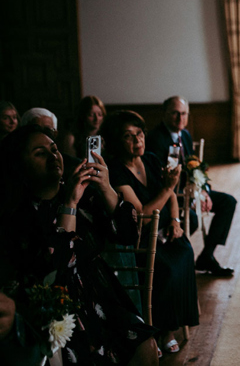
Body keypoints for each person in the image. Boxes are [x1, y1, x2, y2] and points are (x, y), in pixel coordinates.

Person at [0, 125, 159, 365]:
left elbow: (128, 234)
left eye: (54, 149)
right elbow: (60, 267)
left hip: (100, 293)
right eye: (40, 153)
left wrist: (105, 187)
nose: (53, 156)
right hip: (60, 306)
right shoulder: (19, 217)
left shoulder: (86, 192)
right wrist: (70, 203)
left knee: (145, 347)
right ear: (19, 165)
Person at [102, 111, 199, 355]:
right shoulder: (116, 171)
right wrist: (168, 187)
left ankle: (172, 327)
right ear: (115, 141)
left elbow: (172, 198)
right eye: (128, 136)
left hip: (167, 231)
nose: (138, 140)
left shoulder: (153, 159)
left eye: (140, 133)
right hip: (141, 242)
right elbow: (141, 216)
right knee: (165, 269)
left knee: (185, 253)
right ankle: (158, 331)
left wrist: (176, 220)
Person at [145, 96, 236, 276]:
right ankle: (175, 261)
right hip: (171, 197)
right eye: (175, 114)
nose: (180, 118)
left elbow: (195, 168)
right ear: (164, 114)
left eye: (184, 114)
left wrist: (203, 192)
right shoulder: (155, 139)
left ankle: (207, 256)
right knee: (192, 218)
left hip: (190, 192)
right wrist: (191, 198)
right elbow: (157, 179)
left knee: (228, 202)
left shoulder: (184, 134)